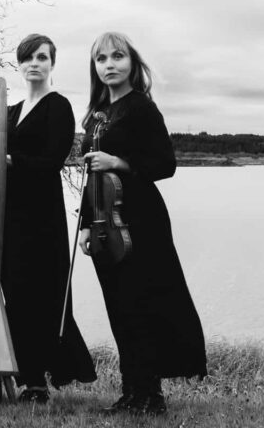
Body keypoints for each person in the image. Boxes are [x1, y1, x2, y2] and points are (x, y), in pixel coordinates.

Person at [78, 32, 207, 415]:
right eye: (102, 59)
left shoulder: (141, 108)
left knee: (142, 305)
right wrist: (85, 224)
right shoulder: (97, 114)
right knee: (119, 307)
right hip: (104, 221)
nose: (109, 64)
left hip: (140, 219)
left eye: (117, 56)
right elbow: (91, 175)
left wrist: (118, 162)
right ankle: (131, 392)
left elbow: (165, 164)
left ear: (132, 63)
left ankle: (151, 395)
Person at [0, 34, 97, 403]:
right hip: (10, 212)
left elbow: (53, 160)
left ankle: (43, 380)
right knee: (16, 293)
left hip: (42, 214)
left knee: (43, 293)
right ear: (19, 65)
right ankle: (29, 378)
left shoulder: (59, 106)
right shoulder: (10, 111)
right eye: (28, 58)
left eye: (41, 57)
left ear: (52, 63)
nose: (34, 64)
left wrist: (12, 160)